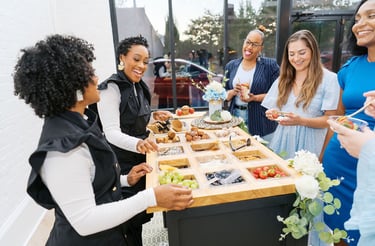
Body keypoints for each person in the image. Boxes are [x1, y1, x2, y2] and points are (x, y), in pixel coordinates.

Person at [13, 34, 193, 245]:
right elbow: (85, 220)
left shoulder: (79, 121)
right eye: (90, 73)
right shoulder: (62, 149)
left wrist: (126, 179)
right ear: (73, 84)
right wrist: (151, 197)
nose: (97, 79)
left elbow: (92, 180)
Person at [96, 35, 172, 246]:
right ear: (122, 57)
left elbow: (133, 117)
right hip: (121, 163)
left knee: (136, 218)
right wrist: (139, 144)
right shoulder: (111, 88)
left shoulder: (138, 85)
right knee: (125, 224)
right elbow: (111, 132)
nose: (141, 66)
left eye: (145, 62)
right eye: (136, 59)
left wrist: (153, 116)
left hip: (139, 160)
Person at [321, 1, 375, 245]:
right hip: (338, 164)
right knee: (336, 230)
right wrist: (320, 160)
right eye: (358, 18)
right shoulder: (349, 68)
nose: (360, 24)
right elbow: (337, 119)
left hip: (370, 170)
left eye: (371, 16)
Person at [261, 29, 340, 160]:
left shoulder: (330, 79)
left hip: (310, 147)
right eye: (291, 54)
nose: (296, 58)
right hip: (282, 142)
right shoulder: (283, 79)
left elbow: (330, 120)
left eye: (302, 53)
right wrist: (274, 113)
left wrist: (302, 121)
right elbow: (276, 110)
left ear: (313, 51)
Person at [327, 90, 375, 246]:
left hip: (365, 169)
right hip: (338, 166)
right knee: (336, 226)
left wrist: (368, 149)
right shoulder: (349, 68)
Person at [224, 28, 279, 139]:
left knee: (262, 154)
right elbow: (223, 93)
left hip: (262, 123)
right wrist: (231, 93)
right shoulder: (231, 65)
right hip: (235, 119)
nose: (249, 47)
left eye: (254, 44)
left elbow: (279, 94)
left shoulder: (270, 66)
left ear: (261, 48)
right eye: (248, 42)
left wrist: (255, 98)